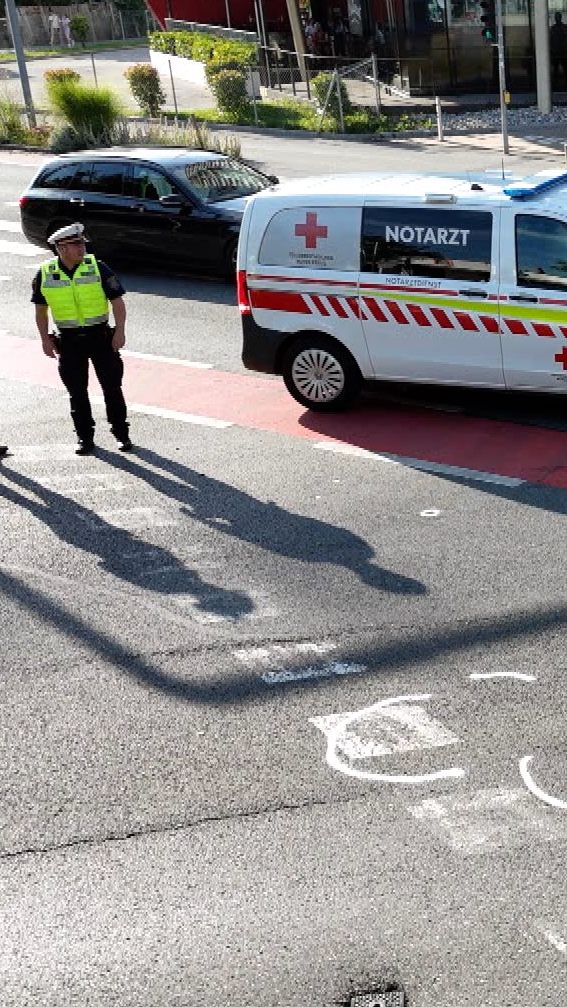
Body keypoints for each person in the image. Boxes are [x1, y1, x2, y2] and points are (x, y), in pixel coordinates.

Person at [31, 222, 132, 456]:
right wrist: (45, 340)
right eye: (76, 244)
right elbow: (40, 310)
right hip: (69, 341)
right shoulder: (45, 273)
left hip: (101, 337)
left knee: (112, 387)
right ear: (61, 248)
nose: (82, 248)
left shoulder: (98, 267)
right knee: (77, 392)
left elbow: (118, 301)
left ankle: (121, 434)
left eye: (82, 243)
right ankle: (85, 438)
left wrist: (120, 331)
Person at [550, 11, 567, 88]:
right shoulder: (553, 28)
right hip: (556, 52)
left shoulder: (564, 27)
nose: (557, 18)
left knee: (564, 69)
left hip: (563, 52)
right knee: (556, 70)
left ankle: (558, 83)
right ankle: (555, 83)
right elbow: (551, 40)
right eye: (556, 17)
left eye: (558, 17)